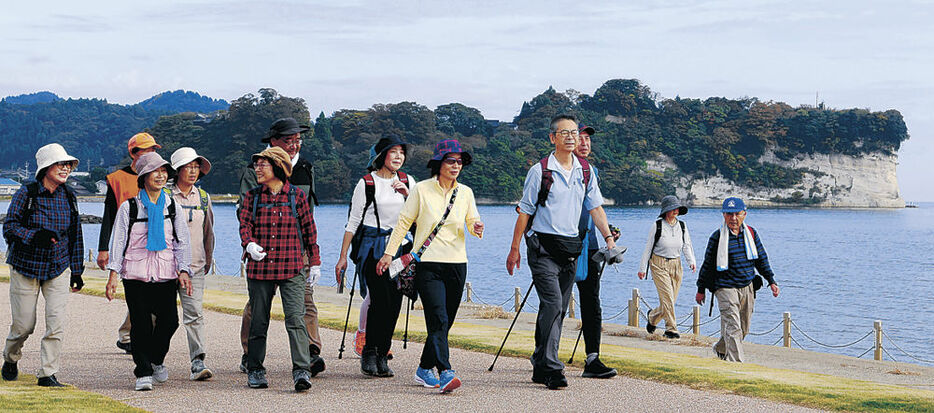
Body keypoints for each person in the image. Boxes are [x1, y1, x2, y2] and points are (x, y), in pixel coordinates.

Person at [506, 114, 617, 390]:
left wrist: (609, 241)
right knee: (555, 305)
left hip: (571, 249)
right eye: (565, 132)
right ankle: (553, 368)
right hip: (542, 248)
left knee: (555, 308)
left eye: (574, 132)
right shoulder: (540, 171)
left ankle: (540, 362)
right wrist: (514, 248)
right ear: (552, 137)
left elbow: (596, 209)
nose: (571, 137)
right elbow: (525, 211)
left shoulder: (586, 171)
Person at [376, 139, 483, 393]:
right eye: (450, 161)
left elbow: (471, 220)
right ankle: (445, 371)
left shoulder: (466, 192)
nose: (456, 166)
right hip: (427, 264)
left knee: (446, 322)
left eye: (459, 161)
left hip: (457, 263)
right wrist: (389, 255)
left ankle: (424, 367)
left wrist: (477, 227)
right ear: (438, 163)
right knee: (437, 318)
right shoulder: (421, 190)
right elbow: (403, 222)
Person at [238, 118, 324, 377]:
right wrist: (250, 243)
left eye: (298, 140)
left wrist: (313, 257)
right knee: (257, 309)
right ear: (273, 142)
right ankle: (249, 355)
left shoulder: (306, 169)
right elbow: (244, 214)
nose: (295, 145)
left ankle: (309, 353)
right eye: (289, 140)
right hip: (262, 253)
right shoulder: (253, 172)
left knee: (304, 305)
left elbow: (308, 217)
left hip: (294, 250)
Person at [104, 152, 192, 391]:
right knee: (141, 325)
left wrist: (184, 270)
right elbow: (118, 241)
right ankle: (142, 371)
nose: (161, 176)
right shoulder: (129, 207)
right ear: (143, 176)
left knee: (170, 322)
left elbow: (181, 240)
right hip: (135, 275)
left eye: (164, 171)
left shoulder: (172, 205)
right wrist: (113, 274)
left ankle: (155, 360)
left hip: (165, 274)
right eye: (155, 171)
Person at [2, 144, 84, 388]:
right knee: (24, 325)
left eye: (68, 164)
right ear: (46, 167)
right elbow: (9, 227)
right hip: (25, 266)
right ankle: (10, 357)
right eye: (61, 164)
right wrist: (33, 236)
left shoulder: (69, 196)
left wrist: (77, 270)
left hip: (58, 266)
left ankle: (47, 373)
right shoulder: (26, 193)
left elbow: (75, 234)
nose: (66, 168)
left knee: (56, 322)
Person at [335, 135, 415, 377]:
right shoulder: (367, 183)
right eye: (393, 152)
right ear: (381, 156)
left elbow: (420, 213)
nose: (399, 156)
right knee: (380, 301)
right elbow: (353, 221)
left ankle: (383, 353)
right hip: (372, 248)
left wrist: (408, 194)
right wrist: (342, 258)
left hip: (401, 249)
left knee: (395, 304)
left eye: (402, 152)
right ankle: (369, 352)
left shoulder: (408, 180)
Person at [98, 132, 161, 354]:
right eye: (147, 149)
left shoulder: (157, 175)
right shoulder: (117, 179)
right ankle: (131, 336)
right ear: (134, 153)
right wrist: (104, 248)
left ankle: (128, 335)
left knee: (148, 293)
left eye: (154, 149)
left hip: (153, 243)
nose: (153, 153)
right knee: (140, 293)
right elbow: (108, 215)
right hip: (128, 245)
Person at [695, 197, 780, 362]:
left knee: (743, 328)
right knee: (733, 327)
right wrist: (700, 289)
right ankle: (737, 365)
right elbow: (707, 265)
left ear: (744, 214)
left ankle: (720, 348)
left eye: (737, 214)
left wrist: (771, 281)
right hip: (725, 287)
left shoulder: (751, 234)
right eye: (729, 214)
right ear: (724, 215)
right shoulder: (717, 237)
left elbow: (761, 259)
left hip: (747, 285)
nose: (733, 218)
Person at [571, 124, 618, 379]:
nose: (584, 143)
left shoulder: (594, 172)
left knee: (592, 302)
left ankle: (593, 359)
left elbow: (594, 208)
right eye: (579, 138)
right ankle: (542, 353)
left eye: (587, 139)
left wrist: (608, 233)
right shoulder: (555, 170)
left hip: (589, 245)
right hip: (563, 245)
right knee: (555, 302)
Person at [169, 147, 216, 381]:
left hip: (195, 266)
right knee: (161, 316)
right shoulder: (165, 195)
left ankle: (198, 361)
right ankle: (154, 360)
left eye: (196, 167)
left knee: (195, 314)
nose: (193, 171)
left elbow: (208, 231)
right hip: (166, 268)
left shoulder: (204, 198)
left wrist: (208, 257)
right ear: (177, 170)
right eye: (188, 166)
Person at [638, 195, 696, 339]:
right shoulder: (657, 225)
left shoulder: (682, 226)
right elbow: (648, 248)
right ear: (666, 210)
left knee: (670, 300)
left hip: (677, 264)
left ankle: (653, 316)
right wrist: (642, 268)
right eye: (672, 209)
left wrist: (691, 261)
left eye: (676, 208)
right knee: (668, 298)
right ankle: (671, 328)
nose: (675, 211)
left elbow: (686, 245)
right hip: (658, 264)